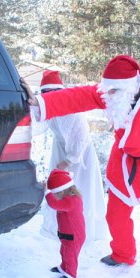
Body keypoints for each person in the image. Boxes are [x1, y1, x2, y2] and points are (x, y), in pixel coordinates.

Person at [23, 55, 140, 278]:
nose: (108, 96)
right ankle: (123, 253)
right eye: (107, 90)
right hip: (124, 162)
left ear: (130, 87)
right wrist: (40, 102)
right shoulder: (113, 91)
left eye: (114, 91)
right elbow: (78, 97)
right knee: (115, 215)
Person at [33, 70, 109, 242]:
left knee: (80, 189)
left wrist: (69, 160)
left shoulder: (71, 110)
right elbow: (39, 124)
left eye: (50, 93)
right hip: (60, 150)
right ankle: (61, 227)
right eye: (44, 94)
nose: (48, 97)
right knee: (58, 188)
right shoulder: (48, 108)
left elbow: (81, 136)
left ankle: (84, 231)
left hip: (80, 156)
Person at [45, 169, 86, 278]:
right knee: (64, 251)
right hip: (67, 234)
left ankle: (71, 274)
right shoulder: (70, 199)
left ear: (62, 191)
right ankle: (64, 267)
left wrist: (47, 192)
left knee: (70, 255)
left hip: (74, 235)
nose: (55, 197)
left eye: (55, 194)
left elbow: (54, 204)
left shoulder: (71, 201)